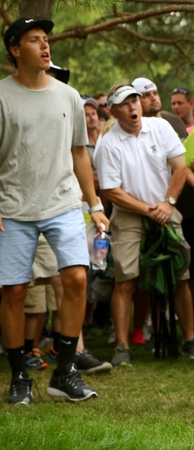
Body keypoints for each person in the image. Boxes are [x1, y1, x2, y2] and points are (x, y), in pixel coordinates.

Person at [1, 17, 110, 403]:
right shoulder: (1, 96)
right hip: (12, 207)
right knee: (14, 291)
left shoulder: (68, 95)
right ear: (16, 50)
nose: (45, 47)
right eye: (35, 40)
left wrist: (94, 204)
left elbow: (80, 153)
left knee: (78, 279)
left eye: (46, 40)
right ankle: (19, 378)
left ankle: (65, 371)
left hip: (63, 203)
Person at [94, 84, 194, 366]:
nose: (132, 107)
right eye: (124, 103)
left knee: (181, 273)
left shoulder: (161, 128)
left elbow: (180, 168)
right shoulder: (107, 143)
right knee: (125, 279)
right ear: (114, 110)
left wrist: (168, 203)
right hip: (130, 213)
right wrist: (149, 209)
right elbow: (111, 191)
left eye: (135, 100)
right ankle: (122, 347)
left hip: (165, 206)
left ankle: (190, 339)